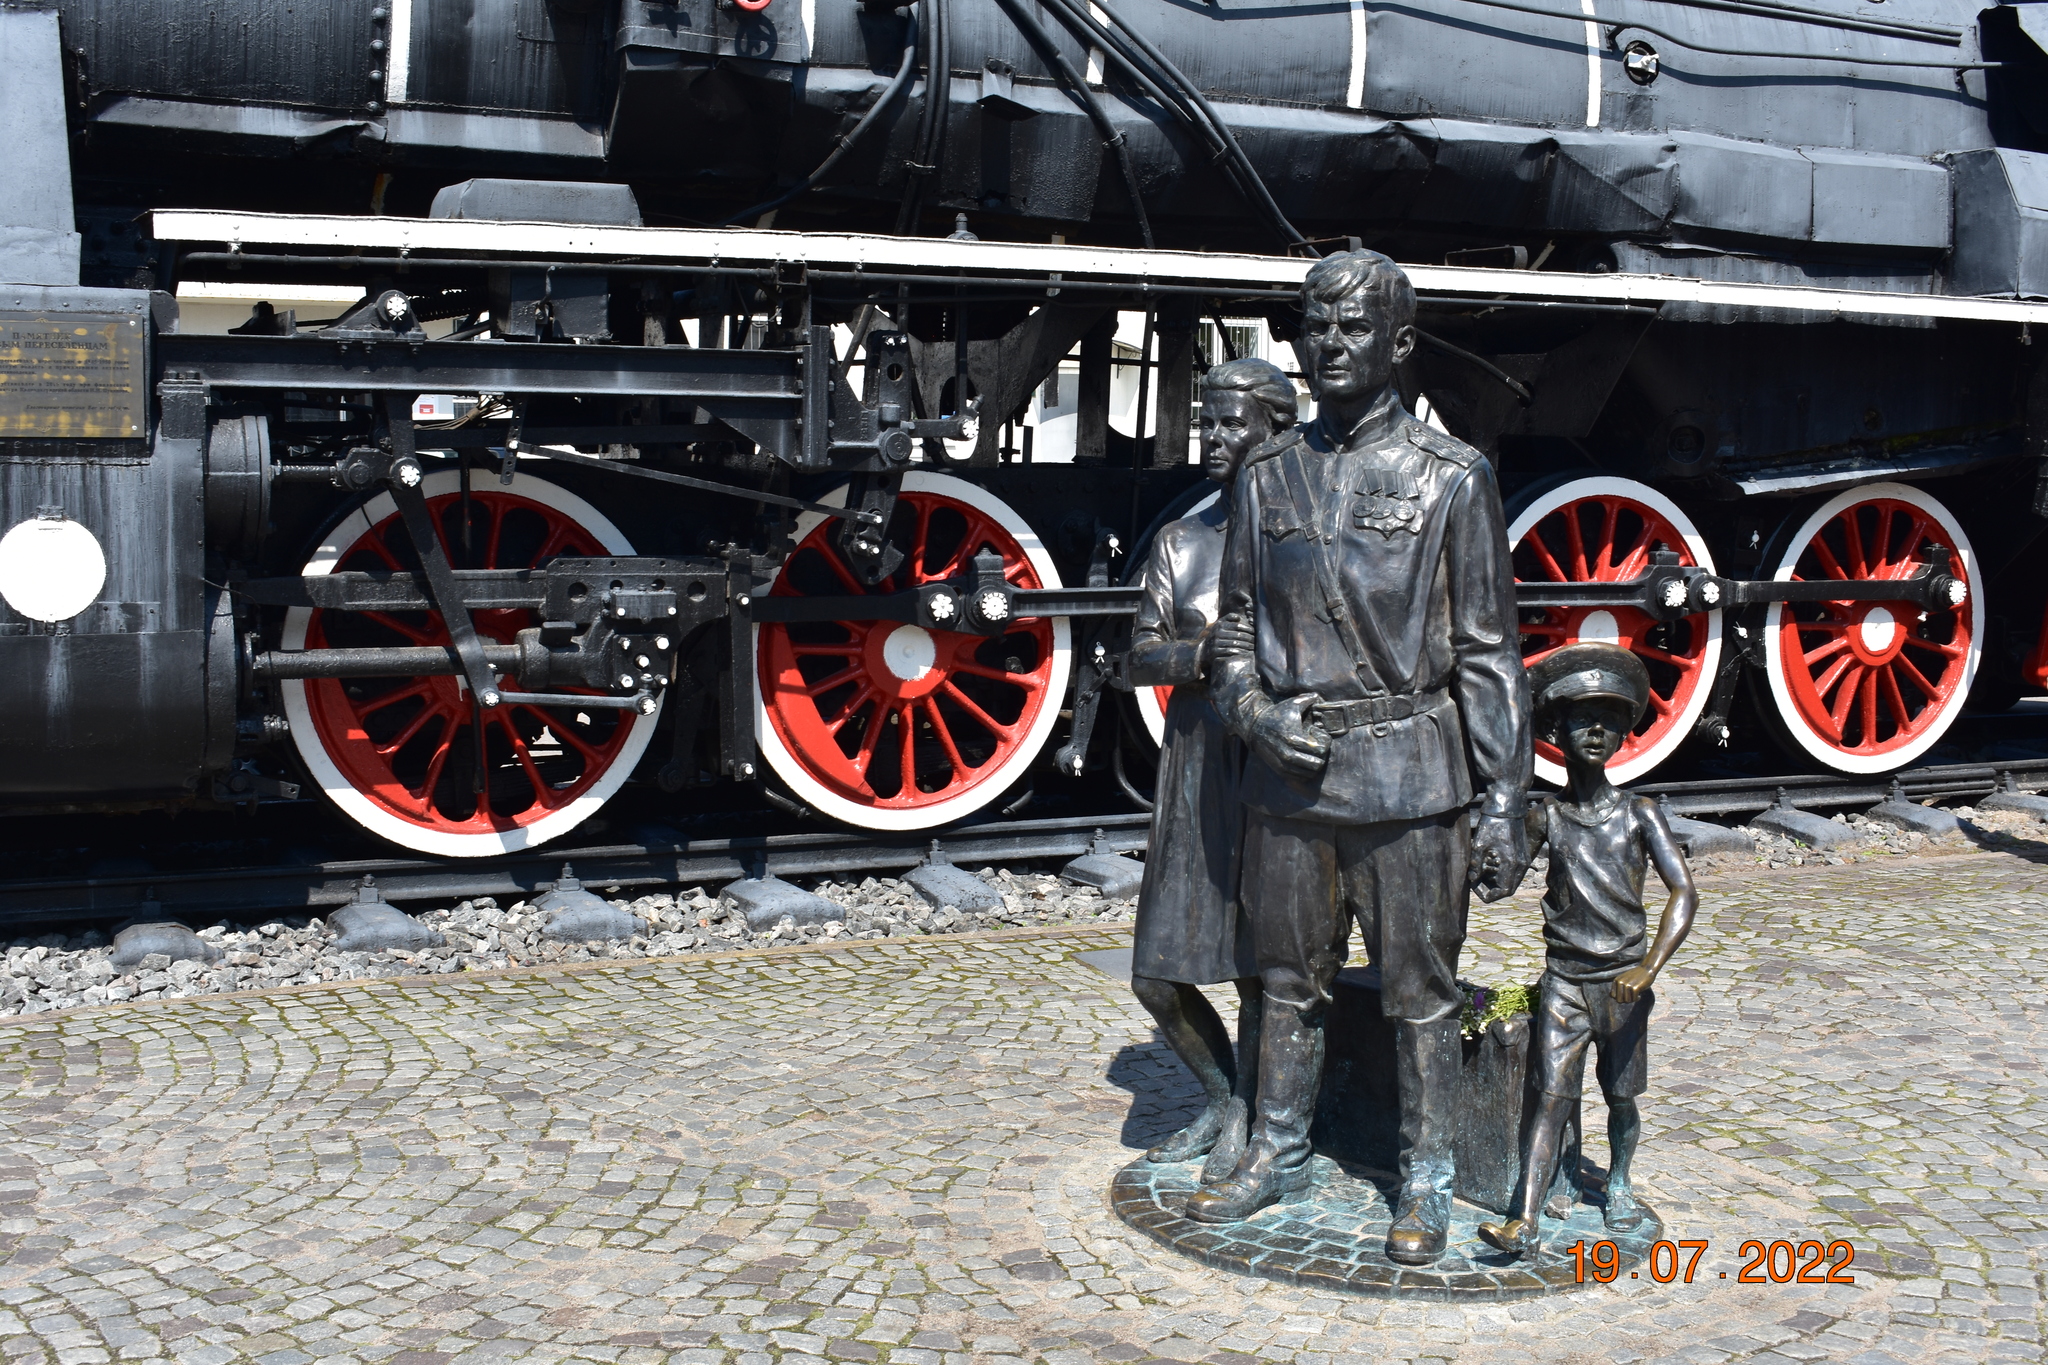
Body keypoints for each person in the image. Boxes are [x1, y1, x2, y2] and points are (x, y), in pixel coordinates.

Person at [1190, 250, 1532, 1267]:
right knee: (1284, 980)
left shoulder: (1451, 477)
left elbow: (1487, 652)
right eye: (1313, 326)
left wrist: (1503, 800)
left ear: (1398, 344)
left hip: (1410, 778)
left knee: (1417, 992)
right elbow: (1236, 630)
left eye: (1348, 328)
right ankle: (1278, 1151)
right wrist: (1252, 716)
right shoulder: (1265, 473)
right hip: (1290, 778)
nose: (1326, 345)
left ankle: (1421, 1177)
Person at [1127, 358, 1298, 1181]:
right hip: (1195, 767)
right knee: (1157, 973)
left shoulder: (1300, 546)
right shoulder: (1181, 543)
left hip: (1268, 767)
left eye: (1233, 423)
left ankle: (1259, 1121)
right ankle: (1225, 1095)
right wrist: (1203, 652)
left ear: (1274, 432)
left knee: (1263, 966)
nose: (1216, 436)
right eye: (1210, 421)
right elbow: (1136, 655)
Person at [1476, 642, 1698, 1258]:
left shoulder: (1639, 814)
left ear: (1626, 733)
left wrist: (1649, 966)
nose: (1595, 732)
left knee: (1621, 1095)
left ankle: (1619, 1181)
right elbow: (1497, 882)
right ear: (1556, 732)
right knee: (1550, 1095)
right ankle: (1525, 1215)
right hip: (1565, 983)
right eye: (1579, 719)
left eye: (1608, 721)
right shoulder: (1548, 818)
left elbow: (1685, 893)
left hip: (1624, 982)